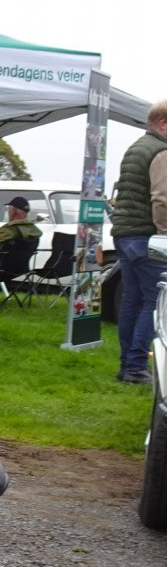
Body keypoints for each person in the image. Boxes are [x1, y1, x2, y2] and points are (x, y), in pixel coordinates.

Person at [108, 98, 166, 384]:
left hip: (125, 233)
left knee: (132, 301)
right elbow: (162, 199)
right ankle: (136, 365)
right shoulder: (160, 151)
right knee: (154, 302)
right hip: (147, 235)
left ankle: (126, 365)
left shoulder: (136, 148)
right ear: (163, 123)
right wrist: (165, 234)